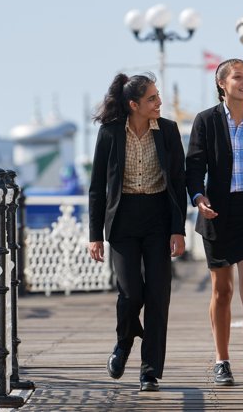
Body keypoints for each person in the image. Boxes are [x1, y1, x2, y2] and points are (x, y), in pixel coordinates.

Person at [88, 72, 187, 392]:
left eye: (158, 96)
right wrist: (94, 235)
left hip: (158, 219)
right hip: (123, 221)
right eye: (152, 99)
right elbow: (96, 188)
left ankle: (149, 371)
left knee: (158, 295)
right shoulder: (110, 133)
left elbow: (178, 182)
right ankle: (123, 343)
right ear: (134, 105)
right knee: (131, 292)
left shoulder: (169, 131)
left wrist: (178, 229)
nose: (160, 103)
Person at [186, 58, 243, 393]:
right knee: (222, 291)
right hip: (217, 213)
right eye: (238, 77)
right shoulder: (206, 121)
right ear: (222, 83)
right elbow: (194, 166)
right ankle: (221, 360)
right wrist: (199, 198)